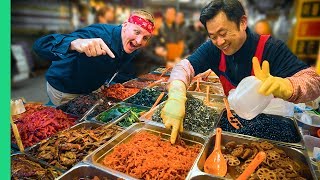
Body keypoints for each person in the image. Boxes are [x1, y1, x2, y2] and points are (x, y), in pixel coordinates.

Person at [161, 0, 320, 144]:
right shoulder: (213, 49)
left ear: (242, 22)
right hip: (236, 119)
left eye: (223, 34)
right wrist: (176, 96)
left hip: (275, 121)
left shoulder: (272, 48)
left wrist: (287, 86)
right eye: (213, 36)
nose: (220, 42)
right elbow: (184, 67)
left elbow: (313, 82)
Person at [33, 10, 154, 106]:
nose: (139, 41)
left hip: (94, 87)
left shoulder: (131, 45)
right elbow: (40, 45)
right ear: (125, 25)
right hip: (66, 89)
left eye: (145, 38)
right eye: (137, 32)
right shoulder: (98, 33)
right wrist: (74, 43)